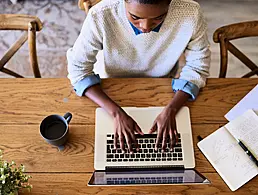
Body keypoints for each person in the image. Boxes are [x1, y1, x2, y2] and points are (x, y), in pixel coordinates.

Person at [67, 0, 211, 154]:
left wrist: (172, 109)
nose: (146, 27)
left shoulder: (191, 13)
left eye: (159, 17)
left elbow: (198, 65)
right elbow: (78, 70)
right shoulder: (100, 14)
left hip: (163, 82)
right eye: (135, 17)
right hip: (111, 83)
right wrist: (116, 113)